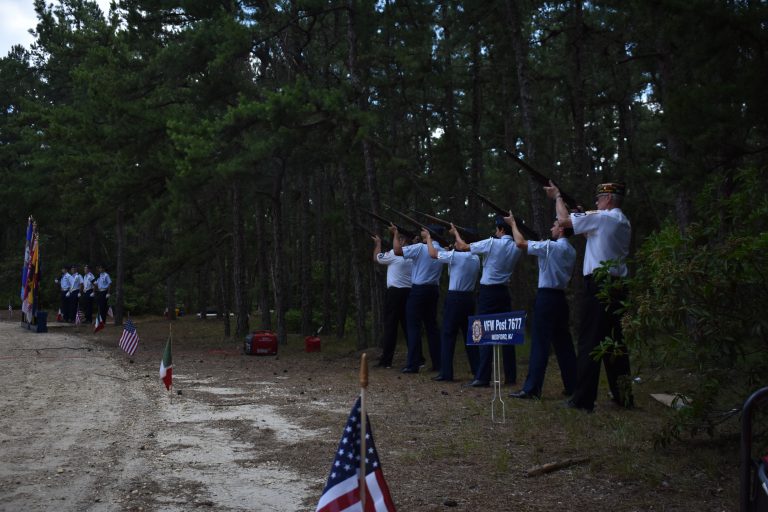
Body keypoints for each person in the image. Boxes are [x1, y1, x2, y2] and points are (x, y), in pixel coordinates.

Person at [545, 181, 633, 412]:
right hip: (618, 284)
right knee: (615, 342)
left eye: (599, 198)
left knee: (589, 341)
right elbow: (591, 235)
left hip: (599, 284)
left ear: (609, 199)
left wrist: (557, 197)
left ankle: (583, 400)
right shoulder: (621, 221)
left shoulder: (603, 218)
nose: (596, 202)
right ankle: (623, 395)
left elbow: (564, 222)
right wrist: (580, 215)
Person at [506, 214, 577, 399]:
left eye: (555, 225)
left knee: (540, 344)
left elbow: (520, 243)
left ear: (561, 229)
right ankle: (573, 386)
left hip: (546, 298)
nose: (552, 228)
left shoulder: (550, 247)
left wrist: (513, 224)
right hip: (560, 298)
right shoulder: (571, 250)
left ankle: (532, 389)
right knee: (564, 345)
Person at [453, 216, 522, 387]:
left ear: (501, 229)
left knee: (483, 334)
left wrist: (455, 232)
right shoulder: (516, 247)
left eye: (496, 229)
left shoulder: (492, 243)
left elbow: (462, 246)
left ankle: (483, 377)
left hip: (488, 292)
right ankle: (511, 377)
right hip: (503, 291)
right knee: (507, 334)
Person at [426, 225, 481, 382]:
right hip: (469, 299)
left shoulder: (457, 256)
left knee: (448, 335)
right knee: (469, 336)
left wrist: (429, 238)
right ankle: (477, 371)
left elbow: (432, 253)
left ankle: (446, 373)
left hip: (455, 298)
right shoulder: (476, 258)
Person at [392, 224, 445, 374]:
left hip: (419, 290)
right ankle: (437, 363)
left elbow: (397, 251)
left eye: (425, 230)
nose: (422, 231)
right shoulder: (440, 250)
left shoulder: (421, 248)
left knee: (413, 327)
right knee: (432, 328)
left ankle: (413, 364)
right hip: (433, 290)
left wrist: (396, 233)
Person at [372, 233, 413, 369]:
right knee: (408, 327)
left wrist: (378, 244)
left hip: (394, 293)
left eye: (399, 238)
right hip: (408, 292)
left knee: (390, 327)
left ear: (403, 240)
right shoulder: (414, 253)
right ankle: (416, 358)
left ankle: (386, 360)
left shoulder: (394, 254)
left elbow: (377, 258)